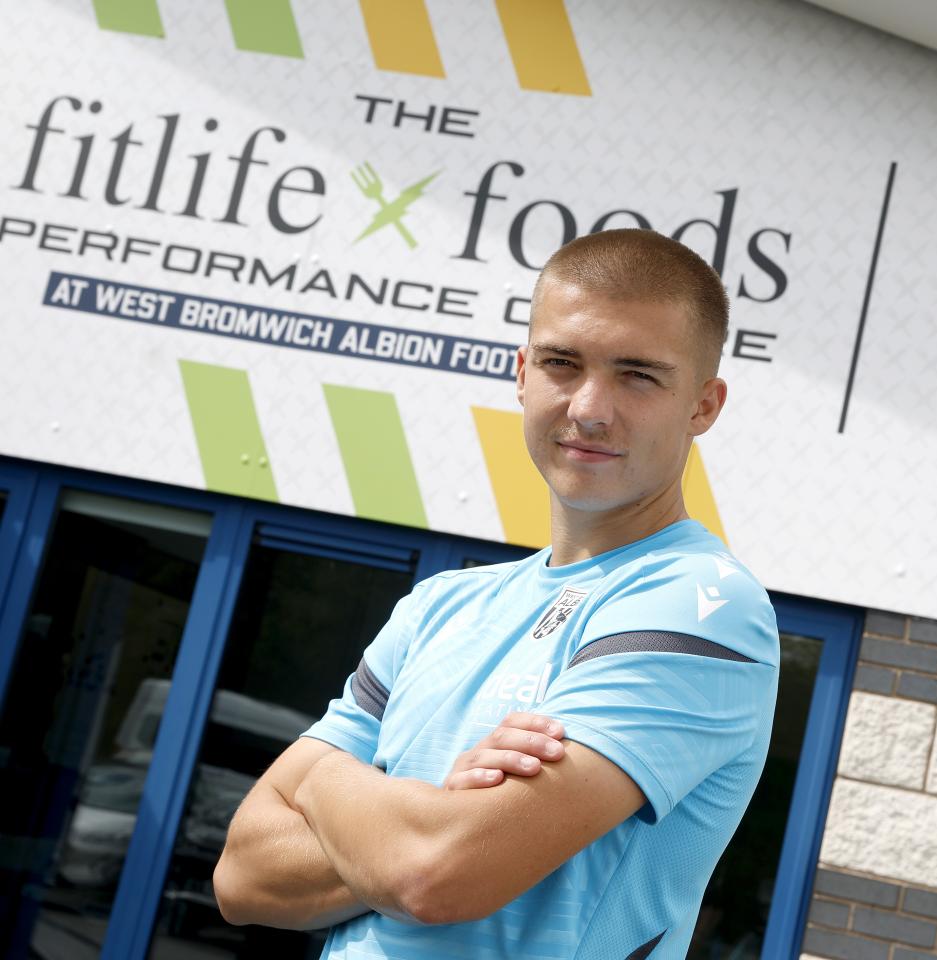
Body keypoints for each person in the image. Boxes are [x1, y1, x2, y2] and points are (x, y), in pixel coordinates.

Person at [213, 229, 780, 959]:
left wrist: (323, 780)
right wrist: (430, 822)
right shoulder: (440, 607)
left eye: (638, 374)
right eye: (561, 363)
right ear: (521, 373)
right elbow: (243, 875)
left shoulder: (703, 603)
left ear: (704, 405)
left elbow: (439, 876)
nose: (589, 407)